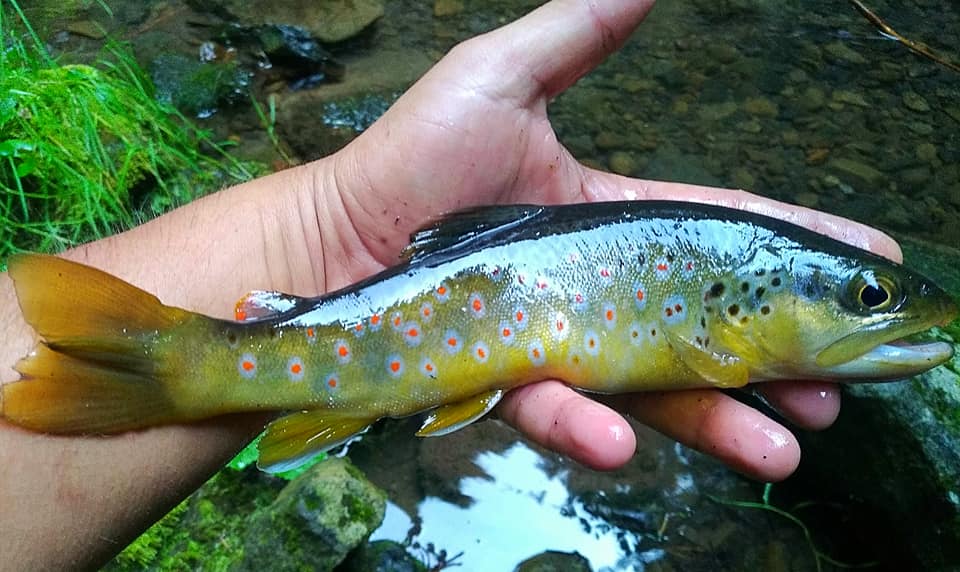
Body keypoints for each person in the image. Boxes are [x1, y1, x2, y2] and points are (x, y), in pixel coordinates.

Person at [0, 0, 902, 568]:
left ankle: (185, 367)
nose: (880, 315)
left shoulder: (728, 317)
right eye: (868, 299)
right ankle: (182, 367)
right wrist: (337, 218)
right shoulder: (719, 331)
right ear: (749, 300)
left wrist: (324, 225)